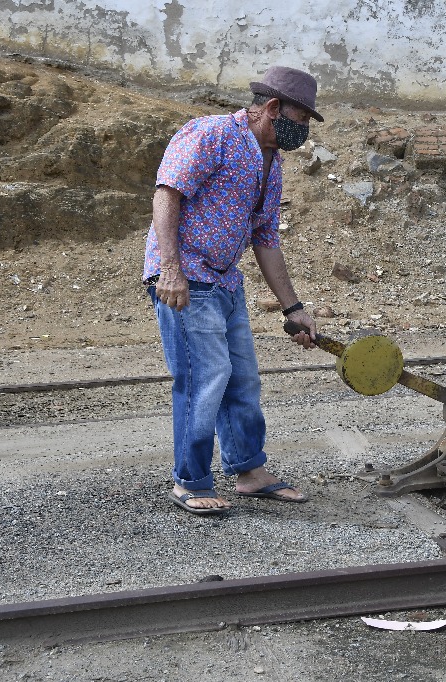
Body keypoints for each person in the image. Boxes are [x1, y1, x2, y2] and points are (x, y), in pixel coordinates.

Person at [143, 65, 321, 515]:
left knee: (242, 378)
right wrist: (170, 268)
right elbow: (167, 193)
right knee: (206, 377)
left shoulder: (271, 163)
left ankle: (249, 471)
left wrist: (294, 308)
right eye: (300, 120)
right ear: (273, 108)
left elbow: (266, 240)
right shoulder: (212, 134)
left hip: (224, 279)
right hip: (186, 278)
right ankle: (190, 479)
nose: (302, 131)